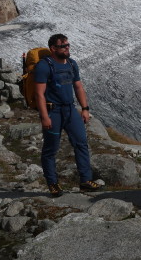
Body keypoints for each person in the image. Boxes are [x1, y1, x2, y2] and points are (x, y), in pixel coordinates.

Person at [34, 33, 102, 197]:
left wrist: (85, 108)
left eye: (68, 45)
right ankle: (53, 184)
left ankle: (85, 181)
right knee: (51, 149)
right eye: (63, 46)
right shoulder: (44, 66)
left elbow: (78, 87)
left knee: (81, 142)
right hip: (53, 111)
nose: (67, 48)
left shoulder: (72, 64)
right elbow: (39, 94)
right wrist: (44, 116)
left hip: (70, 110)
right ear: (53, 49)